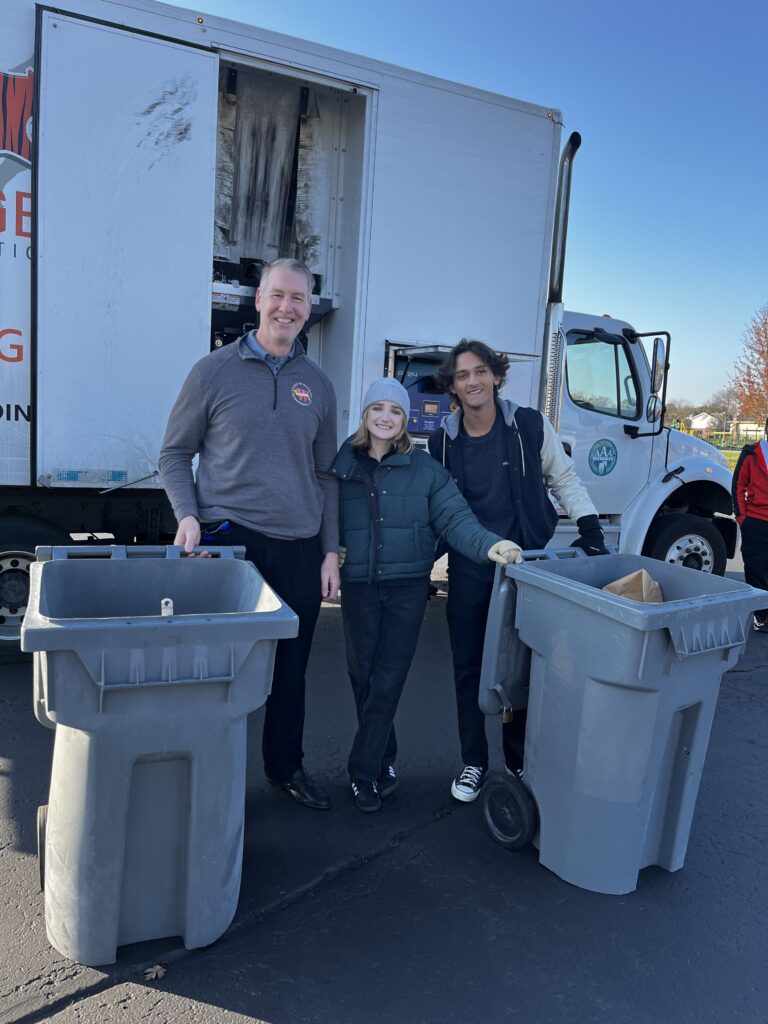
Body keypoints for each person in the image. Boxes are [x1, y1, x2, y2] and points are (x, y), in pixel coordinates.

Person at [158, 257, 340, 810]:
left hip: (299, 545)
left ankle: (285, 768)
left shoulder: (319, 386)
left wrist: (330, 552)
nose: (287, 307)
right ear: (257, 300)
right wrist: (188, 516)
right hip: (229, 544)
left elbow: (326, 475)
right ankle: (206, 777)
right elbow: (174, 454)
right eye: (278, 295)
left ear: (309, 308)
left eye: (298, 298)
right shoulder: (212, 372)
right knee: (218, 670)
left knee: (291, 669)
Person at [329, 378, 522, 813]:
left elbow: (456, 519)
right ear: (365, 414)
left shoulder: (426, 470)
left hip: (407, 588)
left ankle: (363, 772)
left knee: (389, 677)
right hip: (359, 586)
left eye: (395, 411)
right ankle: (384, 758)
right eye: (378, 408)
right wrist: (329, 546)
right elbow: (321, 513)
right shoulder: (341, 464)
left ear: (405, 420)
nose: (385, 417)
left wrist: (489, 545)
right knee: (363, 676)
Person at [427, 339, 607, 803]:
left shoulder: (528, 424)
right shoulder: (442, 441)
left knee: (523, 665)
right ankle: (473, 761)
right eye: (462, 375)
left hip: (528, 566)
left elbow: (563, 477)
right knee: (468, 666)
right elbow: (434, 508)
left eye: (480, 371)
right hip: (470, 567)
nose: (473, 381)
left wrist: (590, 528)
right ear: (453, 386)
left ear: (496, 376)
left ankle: (517, 758)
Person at [731, 418, 768, 632]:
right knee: (756, 569)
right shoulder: (750, 454)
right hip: (755, 521)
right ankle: (761, 616)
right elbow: (738, 485)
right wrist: (742, 517)